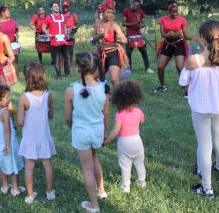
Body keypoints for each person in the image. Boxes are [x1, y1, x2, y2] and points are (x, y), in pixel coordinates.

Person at [179, 20, 219, 198]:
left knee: (204, 144)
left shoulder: (195, 60)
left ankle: (206, 187)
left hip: (201, 107)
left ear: (202, 38)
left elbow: (183, 83)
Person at [64, 52, 110, 212]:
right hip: (97, 131)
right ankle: (101, 190)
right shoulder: (104, 88)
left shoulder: (71, 90)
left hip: (81, 132)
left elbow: (67, 118)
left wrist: (72, 128)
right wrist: (105, 133)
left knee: (87, 168)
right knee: (94, 158)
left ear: (78, 69)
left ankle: (94, 205)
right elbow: (106, 114)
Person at [17, 63, 56, 204]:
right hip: (44, 136)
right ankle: (50, 192)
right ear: (43, 77)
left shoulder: (24, 98)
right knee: (47, 164)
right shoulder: (48, 95)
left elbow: (20, 121)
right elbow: (51, 115)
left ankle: (30, 195)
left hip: (29, 138)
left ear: (27, 79)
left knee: (29, 166)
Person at [103, 80, 146, 193]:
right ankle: (142, 181)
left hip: (124, 143)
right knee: (139, 162)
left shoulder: (119, 114)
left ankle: (125, 186)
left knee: (125, 165)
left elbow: (116, 131)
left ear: (118, 99)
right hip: (137, 141)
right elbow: (142, 120)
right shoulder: (138, 111)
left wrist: (106, 141)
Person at [0, 85, 25, 196]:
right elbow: (7, 130)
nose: (9, 99)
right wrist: (8, 145)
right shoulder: (5, 112)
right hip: (9, 144)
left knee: (3, 167)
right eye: (7, 97)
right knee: (14, 168)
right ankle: (15, 189)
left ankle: (4, 186)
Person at [154, 1, 190, 94]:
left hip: (179, 44)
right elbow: (163, 35)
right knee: (160, 67)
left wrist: (193, 37)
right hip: (167, 44)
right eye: (172, 12)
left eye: (176, 12)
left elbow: (185, 36)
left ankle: (187, 90)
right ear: (168, 11)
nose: (174, 14)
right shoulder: (163, 20)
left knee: (179, 67)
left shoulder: (182, 20)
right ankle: (162, 86)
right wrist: (170, 34)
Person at [92, 0, 128, 86]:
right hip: (100, 53)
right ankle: (103, 96)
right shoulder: (97, 23)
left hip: (113, 53)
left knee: (114, 80)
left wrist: (120, 39)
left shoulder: (114, 25)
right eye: (108, 12)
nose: (111, 15)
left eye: (112, 13)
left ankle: (118, 98)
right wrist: (99, 36)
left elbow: (125, 40)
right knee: (94, 78)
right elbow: (92, 39)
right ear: (103, 12)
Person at [122, 0, 154, 74]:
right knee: (128, 52)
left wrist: (140, 26)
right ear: (132, 4)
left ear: (139, 6)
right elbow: (123, 23)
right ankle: (128, 68)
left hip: (138, 34)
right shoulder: (126, 10)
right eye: (134, 5)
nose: (136, 7)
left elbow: (143, 23)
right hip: (129, 35)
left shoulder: (140, 11)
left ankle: (147, 68)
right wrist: (134, 23)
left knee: (144, 51)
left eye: (137, 6)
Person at [43, 1, 71, 78]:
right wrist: (47, 34)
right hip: (54, 41)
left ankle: (67, 73)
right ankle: (59, 75)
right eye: (55, 6)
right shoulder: (49, 17)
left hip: (63, 40)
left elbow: (65, 26)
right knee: (57, 59)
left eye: (57, 6)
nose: (57, 7)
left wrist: (67, 35)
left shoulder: (63, 16)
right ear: (51, 8)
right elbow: (43, 27)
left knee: (67, 57)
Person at [0, 5, 20, 77]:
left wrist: (17, 35)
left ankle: (16, 78)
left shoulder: (12, 21)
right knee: (3, 62)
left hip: (13, 44)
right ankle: (4, 77)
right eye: (7, 11)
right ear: (2, 13)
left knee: (15, 62)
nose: (9, 13)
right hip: (2, 45)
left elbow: (16, 29)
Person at [63, 1, 79, 66]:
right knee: (64, 48)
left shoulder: (73, 15)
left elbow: (77, 24)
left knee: (70, 48)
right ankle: (65, 61)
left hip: (71, 32)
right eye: (64, 7)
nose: (65, 9)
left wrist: (74, 29)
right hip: (63, 32)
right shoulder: (61, 15)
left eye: (66, 7)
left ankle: (70, 62)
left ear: (68, 7)